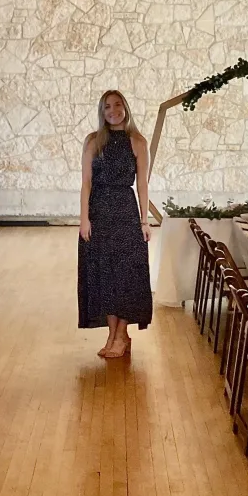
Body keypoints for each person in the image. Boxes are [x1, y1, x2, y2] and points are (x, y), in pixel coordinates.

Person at [78, 89, 153, 357]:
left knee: (126, 276)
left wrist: (144, 221)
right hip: (99, 213)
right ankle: (113, 334)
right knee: (105, 276)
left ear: (125, 108)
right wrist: (84, 219)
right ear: (102, 111)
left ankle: (121, 335)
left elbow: (142, 185)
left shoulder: (138, 141)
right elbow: (86, 183)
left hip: (125, 212)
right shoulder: (93, 141)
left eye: (117, 105)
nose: (113, 111)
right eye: (107, 106)